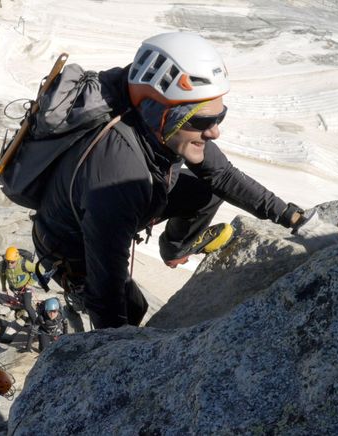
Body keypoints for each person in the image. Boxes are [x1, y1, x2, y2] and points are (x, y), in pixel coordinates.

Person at [31, 32, 310, 329]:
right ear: (158, 113)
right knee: (132, 305)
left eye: (220, 117)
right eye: (202, 121)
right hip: (72, 248)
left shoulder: (156, 122)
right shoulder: (117, 179)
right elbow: (107, 295)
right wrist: (114, 359)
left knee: (208, 191)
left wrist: (292, 217)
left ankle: (176, 249)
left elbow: (223, 175)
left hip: (123, 201)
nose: (215, 132)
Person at [0, 246, 39, 323]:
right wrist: (3, 286)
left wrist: (30, 283)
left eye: (12, 262)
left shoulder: (24, 264)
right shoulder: (3, 264)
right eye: (7, 261)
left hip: (26, 287)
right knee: (22, 301)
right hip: (14, 288)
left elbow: (40, 269)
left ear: (17, 259)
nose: (9, 264)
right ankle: (24, 312)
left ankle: (35, 323)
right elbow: (2, 275)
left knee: (28, 306)